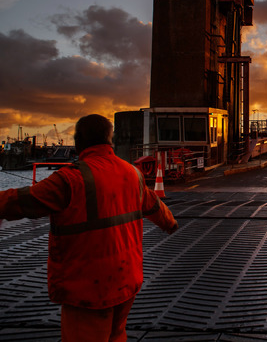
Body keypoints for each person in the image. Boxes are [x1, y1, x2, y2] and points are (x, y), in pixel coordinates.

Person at [0, 114, 178, 342]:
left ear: (78, 140)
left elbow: (22, 201)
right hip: (127, 281)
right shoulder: (132, 173)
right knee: (116, 335)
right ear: (109, 139)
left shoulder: (70, 179)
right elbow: (154, 205)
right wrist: (170, 224)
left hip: (89, 289)